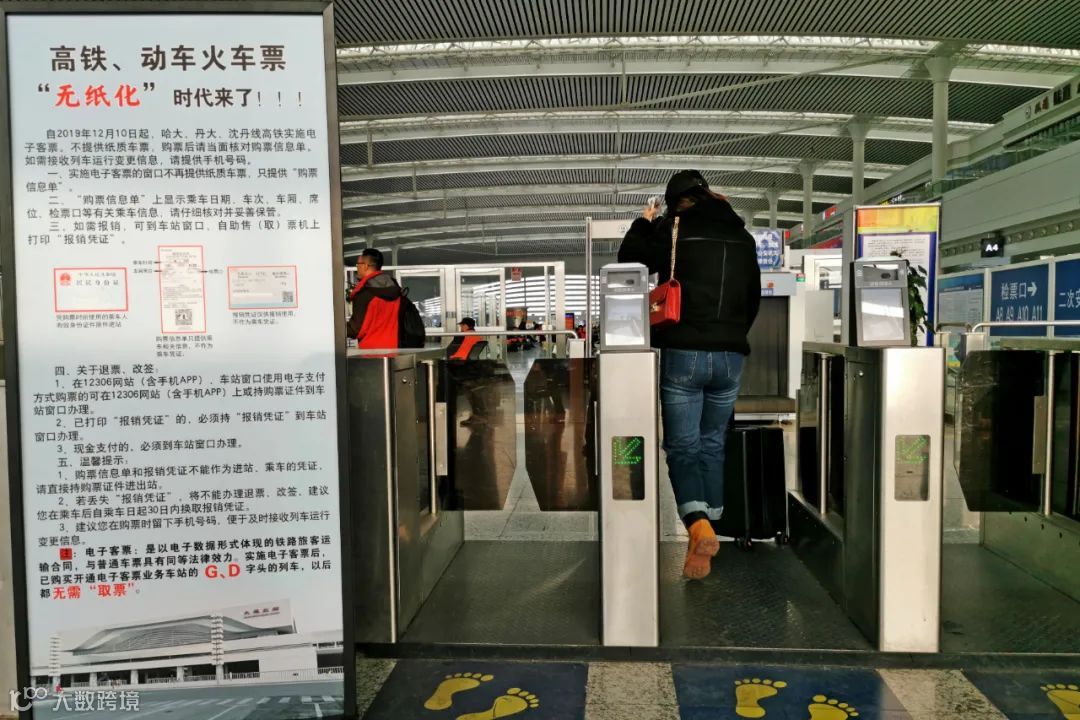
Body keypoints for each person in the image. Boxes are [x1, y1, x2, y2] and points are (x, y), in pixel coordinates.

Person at [618, 170, 761, 580]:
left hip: (685, 353)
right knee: (713, 443)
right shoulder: (743, 236)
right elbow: (752, 298)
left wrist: (645, 220)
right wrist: (732, 335)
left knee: (682, 447)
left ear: (674, 202)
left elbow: (629, 257)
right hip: (731, 356)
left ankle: (698, 526)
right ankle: (708, 526)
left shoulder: (675, 229)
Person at [347, 248, 402, 349]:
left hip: (371, 351)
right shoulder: (395, 289)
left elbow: (356, 330)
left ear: (365, 266)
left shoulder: (364, 293)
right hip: (394, 347)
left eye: (358, 264)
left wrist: (334, 328)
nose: (357, 267)